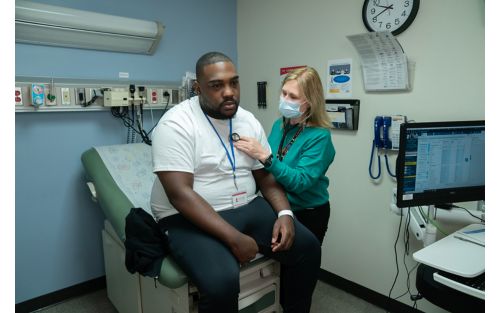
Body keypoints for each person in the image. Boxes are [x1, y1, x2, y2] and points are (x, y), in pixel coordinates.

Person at [150, 52, 320, 313]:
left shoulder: (248, 120)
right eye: (217, 85)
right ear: (198, 88)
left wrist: (285, 214)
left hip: (246, 205)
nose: (229, 92)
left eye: (234, 83)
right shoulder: (176, 124)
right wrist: (234, 239)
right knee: (221, 282)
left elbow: (264, 174)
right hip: (185, 215)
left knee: (307, 249)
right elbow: (179, 194)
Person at [234, 66, 335, 244]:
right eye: (284, 93)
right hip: (278, 206)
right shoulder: (279, 125)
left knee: (300, 266)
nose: (285, 100)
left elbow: (300, 182)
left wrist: (266, 157)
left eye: (293, 97)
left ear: (310, 101)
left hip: (308, 211)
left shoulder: (320, 136)